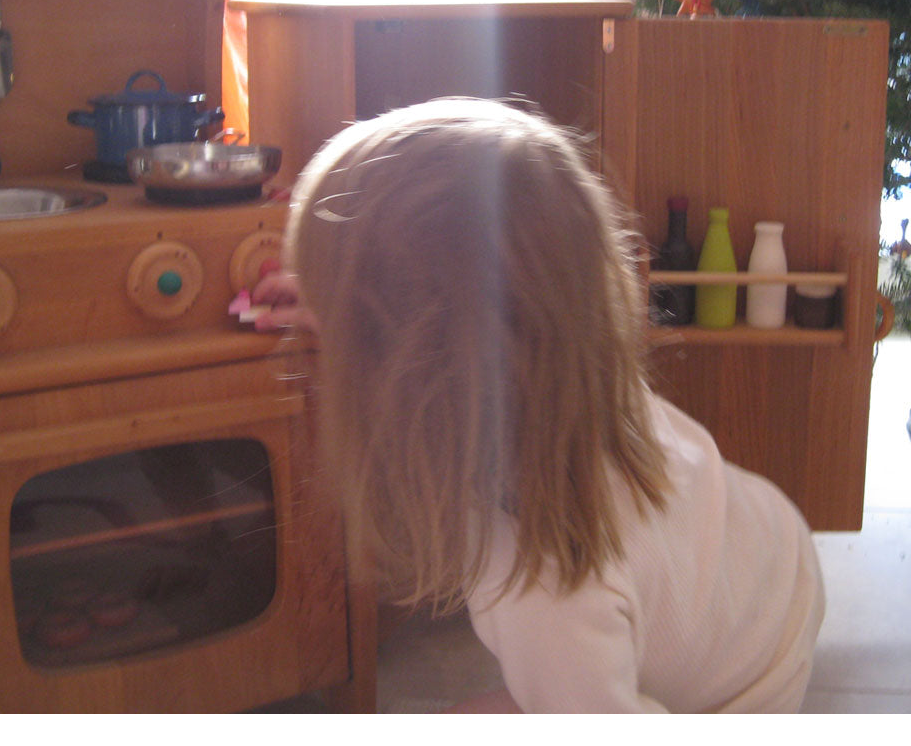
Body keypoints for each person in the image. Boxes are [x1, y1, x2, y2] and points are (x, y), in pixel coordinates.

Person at [251, 97, 825, 713]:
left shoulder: (541, 585)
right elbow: (465, 320)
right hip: (771, 558)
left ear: (411, 385)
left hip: (743, 689)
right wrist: (348, 308)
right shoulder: (569, 383)